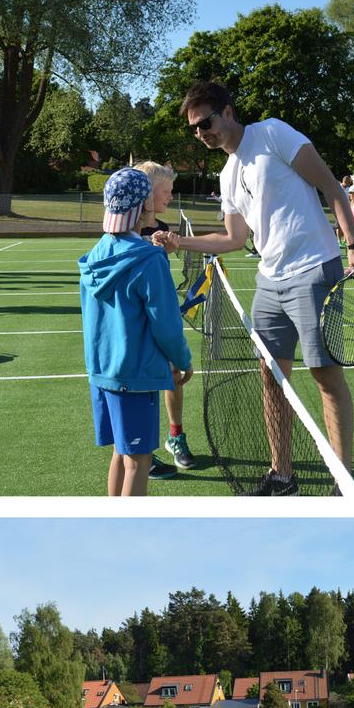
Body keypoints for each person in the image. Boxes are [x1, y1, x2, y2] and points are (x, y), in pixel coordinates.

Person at [159, 81, 354, 495]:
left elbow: (331, 186)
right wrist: (178, 242)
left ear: (229, 112)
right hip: (269, 282)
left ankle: (341, 481)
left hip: (315, 270)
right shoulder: (226, 175)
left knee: (325, 378)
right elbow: (234, 240)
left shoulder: (273, 134)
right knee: (271, 377)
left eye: (206, 122)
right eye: (195, 129)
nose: (202, 133)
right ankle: (282, 474)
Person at [79, 168, 193, 497]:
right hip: (135, 373)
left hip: (102, 373)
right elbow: (167, 324)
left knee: (120, 453)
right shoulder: (150, 260)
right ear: (144, 204)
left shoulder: (96, 255)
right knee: (138, 461)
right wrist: (182, 359)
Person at [135, 160, 197, 477]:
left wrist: (168, 249)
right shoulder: (126, 229)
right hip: (137, 323)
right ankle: (141, 453)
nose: (171, 197)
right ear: (148, 193)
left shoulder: (159, 229)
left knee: (173, 376)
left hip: (160, 317)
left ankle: (175, 436)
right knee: (140, 387)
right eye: (166, 191)